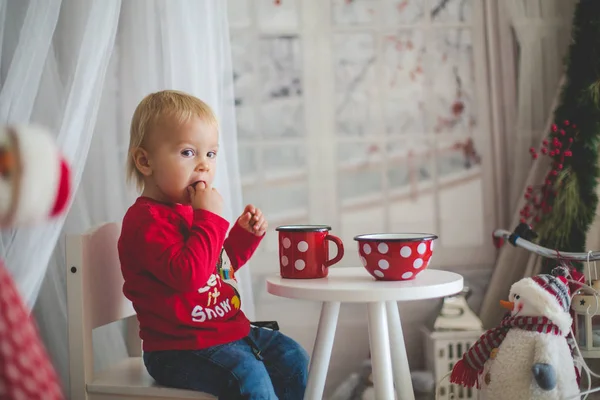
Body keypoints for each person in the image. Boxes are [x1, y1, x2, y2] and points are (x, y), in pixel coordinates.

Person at [118, 90, 309, 399]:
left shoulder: (192, 211)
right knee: (249, 376)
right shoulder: (146, 221)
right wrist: (208, 218)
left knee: (292, 357)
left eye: (211, 154)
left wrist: (244, 235)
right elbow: (188, 276)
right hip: (177, 350)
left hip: (227, 333)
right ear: (145, 161)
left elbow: (216, 268)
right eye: (187, 152)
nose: (204, 165)